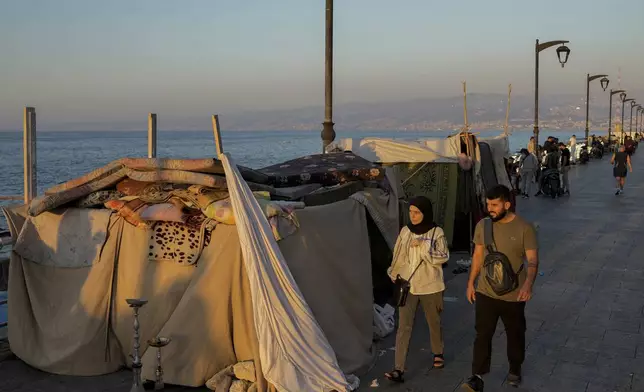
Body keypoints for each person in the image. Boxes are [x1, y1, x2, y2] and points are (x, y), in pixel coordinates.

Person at [461, 185, 538, 391]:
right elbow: (477, 256)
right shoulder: (483, 226)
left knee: (515, 333)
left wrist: (528, 284)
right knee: (482, 334)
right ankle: (477, 376)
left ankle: (515, 367)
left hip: (514, 294)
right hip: (486, 291)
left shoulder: (524, 228)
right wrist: (471, 283)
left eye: (494, 205)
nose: (490, 209)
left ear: (507, 204)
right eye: (488, 204)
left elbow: (532, 260)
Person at [384, 196, 449, 383]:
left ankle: (438, 352)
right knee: (404, 327)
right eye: (411, 212)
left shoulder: (436, 232)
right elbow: (398, 254)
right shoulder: (405, 231)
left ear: (425, 213)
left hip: (431, 286)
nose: (413, 216)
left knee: (433, 321)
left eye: (417, 212)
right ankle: (399, 368)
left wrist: (423, 246)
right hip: (408, 286)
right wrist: (394, 274)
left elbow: (443, 257)